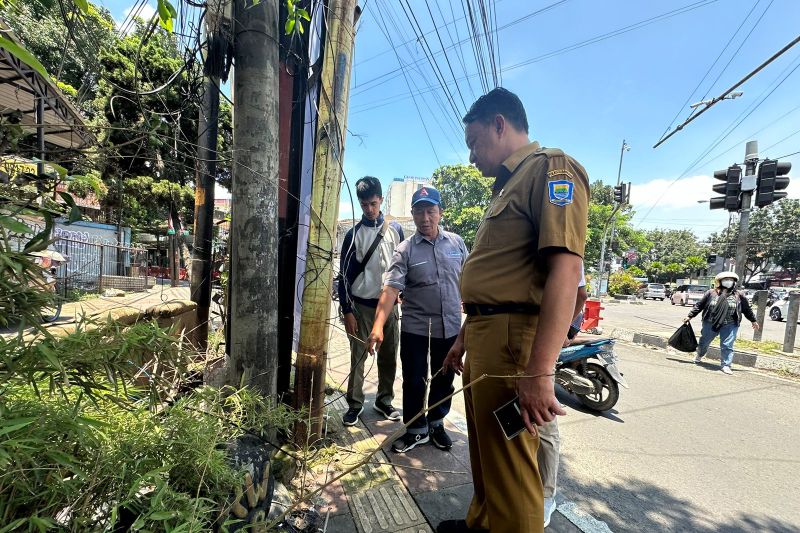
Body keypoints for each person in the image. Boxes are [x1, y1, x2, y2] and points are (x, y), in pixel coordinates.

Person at [439, 87, 590, 533]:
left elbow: (565, 270)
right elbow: (497, 279)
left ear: (499, 124)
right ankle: (481, 523)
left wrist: (540, 372)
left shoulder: (551, 170)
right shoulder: (509, 185)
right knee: (487, 453)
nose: (471, 158)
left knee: (513, 468)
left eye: (473, 143)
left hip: (511, 345)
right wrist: (465, 338)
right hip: (488, 336)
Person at [367, 186, 468, 453]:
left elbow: (470, 280)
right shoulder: (405, 249)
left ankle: (436, 423)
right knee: (414, 379)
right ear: (412, 214)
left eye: (430, 211)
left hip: (450, 328)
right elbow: (390, 289)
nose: (425, 217)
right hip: (416, 328)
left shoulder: (457, 244)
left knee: (444, 377)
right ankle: (415, 429)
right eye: (419, 211)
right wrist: (378, 326)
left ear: (440, 213)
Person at [337, 176, 405, 426]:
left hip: (389, 307)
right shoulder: (353, 235)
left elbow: (401, 268)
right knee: (358, 357)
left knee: (389, 355)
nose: (369, 209)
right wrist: (347, 311)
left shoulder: (395, 230)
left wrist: (402, 294)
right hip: (361, 306)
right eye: (364, 205)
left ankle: (384, 401)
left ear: (381, 200)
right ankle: (354, 404)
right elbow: (343, 276)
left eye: (373, 204)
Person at [538, 264, 588, 527]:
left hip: (541, 338)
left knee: (545, 423)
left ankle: (547, 495)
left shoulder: (560, 244)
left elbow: (580, 294)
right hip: (518, 336)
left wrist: (563, 330)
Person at [684, 271, 758, 375]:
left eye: (731, 280)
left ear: (734, 282)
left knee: (727, 345)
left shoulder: (739, 295)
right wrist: (690, 316)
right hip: (711, 322)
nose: (728, 282)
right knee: (704, 341)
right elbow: (699, 305)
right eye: (726, 280)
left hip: (730, 324)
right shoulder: (711, 293)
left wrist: (753, 320)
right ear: (720, 282)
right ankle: (699, 355)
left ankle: (726, 365)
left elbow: (747, 309)